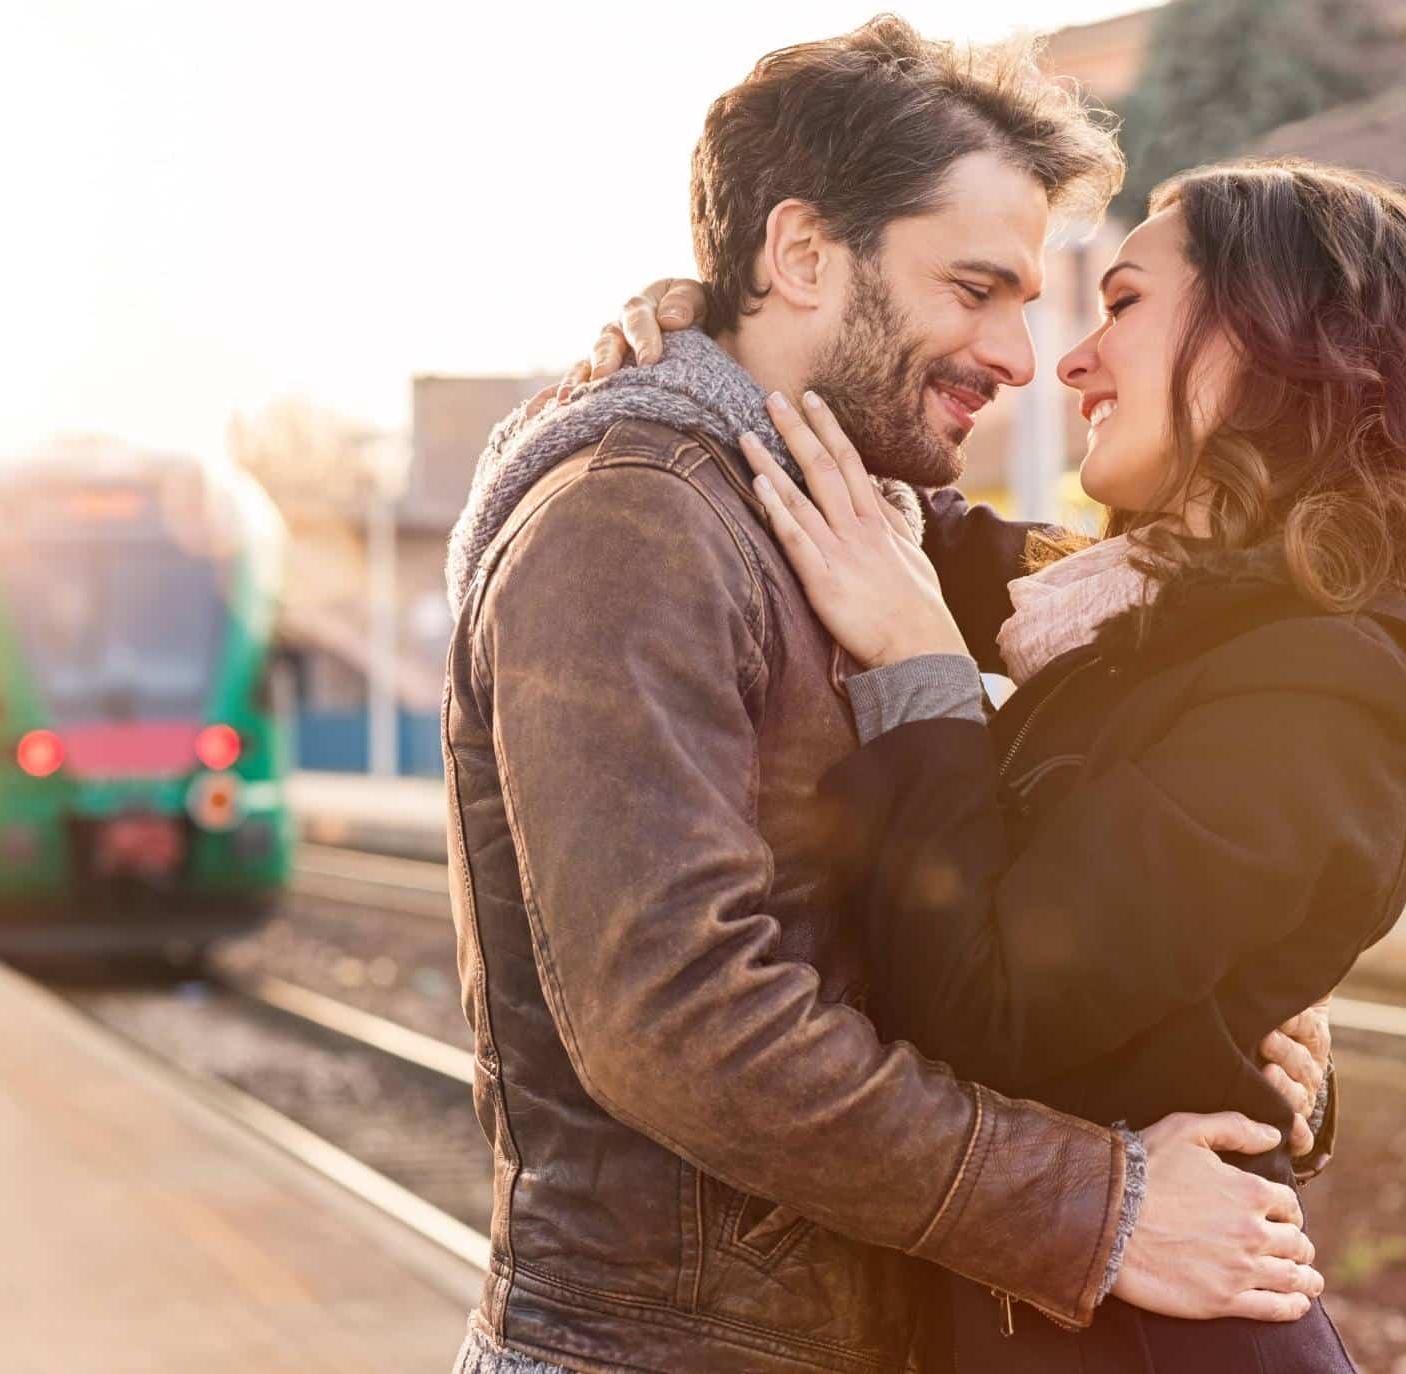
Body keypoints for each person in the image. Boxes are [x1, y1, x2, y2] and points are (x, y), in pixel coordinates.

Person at [443, 21, 1331, 1374]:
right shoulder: (630, 526)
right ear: (804, 254)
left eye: (1029, 300)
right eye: (975, 288)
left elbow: (991, 898)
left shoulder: (851, 520)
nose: (1020, 354)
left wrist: (1225, 1000)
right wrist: (1101, 1207)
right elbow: (675, 1019)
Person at [633, 159, 1406, 1370]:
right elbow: (886, 503)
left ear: (1270, 337)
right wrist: (729, 352)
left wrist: (921, 675)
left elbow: (991, 1010)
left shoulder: (1324, 689)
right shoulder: (1138, 612)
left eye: (1123, 305)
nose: (1068, 361)